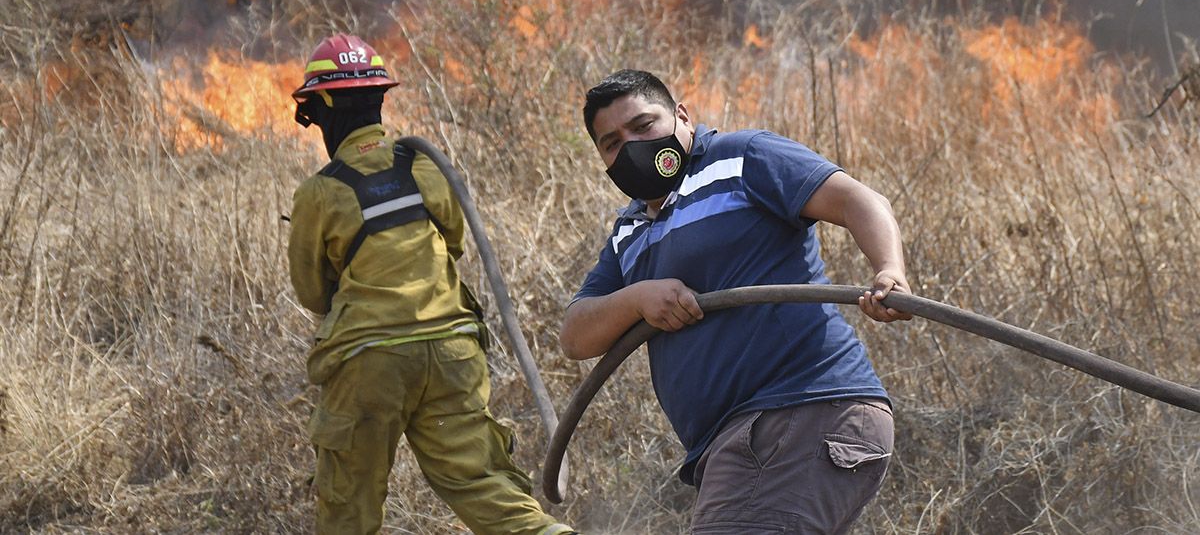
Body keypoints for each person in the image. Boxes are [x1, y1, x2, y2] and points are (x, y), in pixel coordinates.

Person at [561, 69, 913, 534]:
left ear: (682, 116)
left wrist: (890, 270)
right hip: (737, 440)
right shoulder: (628, 232)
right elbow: (575, 335)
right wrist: (637, 299)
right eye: (612, 143)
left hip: (798, 411)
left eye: (644, 127)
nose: (631, 147)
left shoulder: (740, 157)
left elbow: (857, 200)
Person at [287, 33, 576, 535]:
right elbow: (454, 243)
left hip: (369, 362)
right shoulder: (421, 163)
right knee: (485, 487)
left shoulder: (319, 192)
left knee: (347, 510)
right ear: (379, 99)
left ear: (322, 107)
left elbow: (313, 292)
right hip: (452, 353)